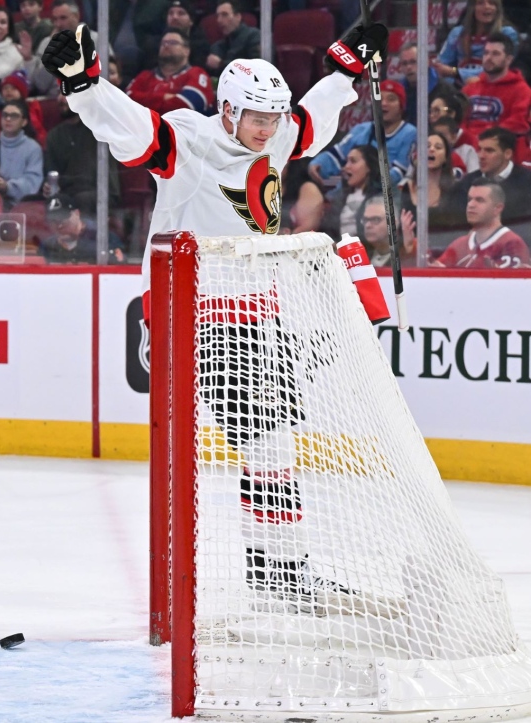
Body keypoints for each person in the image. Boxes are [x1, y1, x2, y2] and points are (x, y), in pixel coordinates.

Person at [41, 17, 388, 603]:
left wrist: (347, 68)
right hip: (195, 310)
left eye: (270, 118)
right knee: (265, 439)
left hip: (258, 307)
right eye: (256, 118)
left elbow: (309, 124)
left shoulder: (275, 133)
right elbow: (132, 130)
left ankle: (274, 567)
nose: (266, 129)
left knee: (275, 443)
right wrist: (85, 84)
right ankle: (277, 572)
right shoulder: (190, 140)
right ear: (227, 111)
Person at [307, 79, 414, 188]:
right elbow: (337, 155)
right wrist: (318, 163)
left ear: (401, 106)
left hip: (385, 197)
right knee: (308, 188)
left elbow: (399, 173)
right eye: (379, 99)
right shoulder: (361, 129)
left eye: (391, 99)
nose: (384, 104)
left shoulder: (410, 134)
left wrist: (364, 181)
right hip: (348, 191)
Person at [434, 179, 529, 268]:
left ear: (498, 208)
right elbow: (435, 273)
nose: (471, 205)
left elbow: (512, 283)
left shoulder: (511, 244)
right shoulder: (460, 244)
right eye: (469, 199)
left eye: (479, 200)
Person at [455, 127, 531, 230]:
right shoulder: (466, 184)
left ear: (507, 154)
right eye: (479, 149)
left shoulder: (527, 182)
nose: (481, 156)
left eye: (489, 151)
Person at [126, 29, 215, 116]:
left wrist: (146, 102)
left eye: (173, 43)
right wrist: (164, 97)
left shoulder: (197, 73)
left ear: (186, 51)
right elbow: (127, 101)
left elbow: (187, 105)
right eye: (163, 43)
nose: (166, 46)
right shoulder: (145, 76)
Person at [401, 131, 467, 245]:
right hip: (412, 252)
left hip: (446, 252)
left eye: (438, 147)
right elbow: (401, 228)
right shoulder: (408, 187)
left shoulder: (456, 189)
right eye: (427, 146)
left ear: (446, 158)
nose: (431, 149)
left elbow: (460, 232)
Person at [461, 35, 531, 141]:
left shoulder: (522, 90)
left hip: (500, 147)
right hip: (467, 146)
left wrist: (485, 139)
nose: (489, 58)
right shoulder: (469, 89)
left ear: (509, 59)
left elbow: (518, 123)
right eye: (486, 53)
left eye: (495, 54)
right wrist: (467, 139)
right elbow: (458, 120)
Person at [433, 0, 518, 86]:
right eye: (481, 3)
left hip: (493, 88)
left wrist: (455, 72)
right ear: (472, 8)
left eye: (492, 3)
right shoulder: (457, 33)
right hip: (458, 91)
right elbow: (442, 65)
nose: (487, 7)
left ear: (497, 9)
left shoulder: (507, 33)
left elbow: (498, 68)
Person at [0, 99, 42, 207]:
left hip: (24, 206)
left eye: (14, 116)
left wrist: (8, 187)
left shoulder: (33, 148)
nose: (8, 119)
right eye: (5, 115)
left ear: (24, 122)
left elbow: (33, 183)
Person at [43, 93, 98, 215]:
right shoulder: (54, 135)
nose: (61, 99)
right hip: (65, 192)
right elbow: (51, 172)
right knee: (28, 201)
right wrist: (48, 186)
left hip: (95, 191)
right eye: (59, 94)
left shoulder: (96, 131)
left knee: (81, 199)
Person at [41, 194, 100, 263]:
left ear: (77, 213)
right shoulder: (47, 246)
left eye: (63, 219)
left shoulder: (101, 239)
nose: (59, 226)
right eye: (53, 221)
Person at [205, 1, 260, 75]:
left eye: (225, 15)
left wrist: (221, 65)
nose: (219, 20)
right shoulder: (218, 46)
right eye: (218, 16)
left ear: (238, 17)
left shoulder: (253, 36)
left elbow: (256, 70)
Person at [166, 0, 209, 69]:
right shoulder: (155, 44)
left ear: (191, 21)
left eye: (181, 13)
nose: (175, 17)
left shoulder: (200, 46)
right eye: (171, 13)